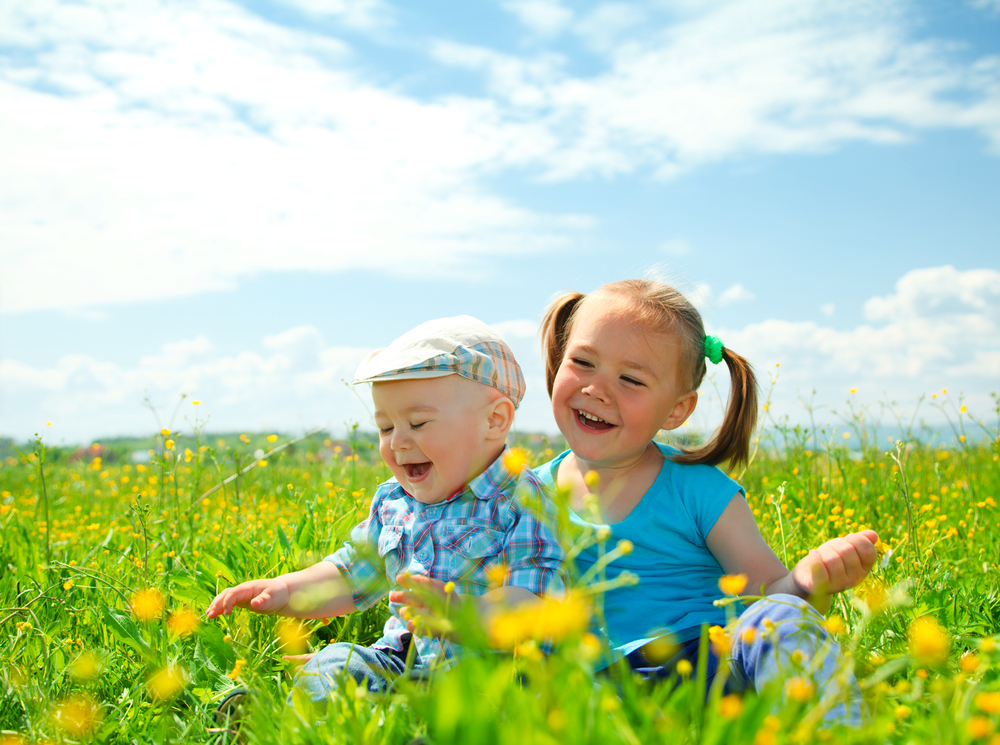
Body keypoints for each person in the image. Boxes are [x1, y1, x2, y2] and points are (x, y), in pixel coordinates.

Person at [535, 279, 878, 723]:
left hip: (709, 668)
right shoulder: (528, 493)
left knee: (783, 615)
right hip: (594, 691)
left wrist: (808, 582)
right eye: (582, 362)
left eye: (631, 379)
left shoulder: (696, 488)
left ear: (677, 410)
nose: (597, 389)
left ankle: (837, 732)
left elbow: (766, 594)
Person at [206, 316, 565, 703]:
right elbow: (349, 576)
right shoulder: (394, 501)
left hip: (492, 676)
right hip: (400, 664)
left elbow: (536, 603)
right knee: (337, 661)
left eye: (417, 422)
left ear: (494, 421)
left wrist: (459, 612)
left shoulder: (523, 499)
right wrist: (285, 590)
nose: (398, 443)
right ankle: (281, 722)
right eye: (385, 428)